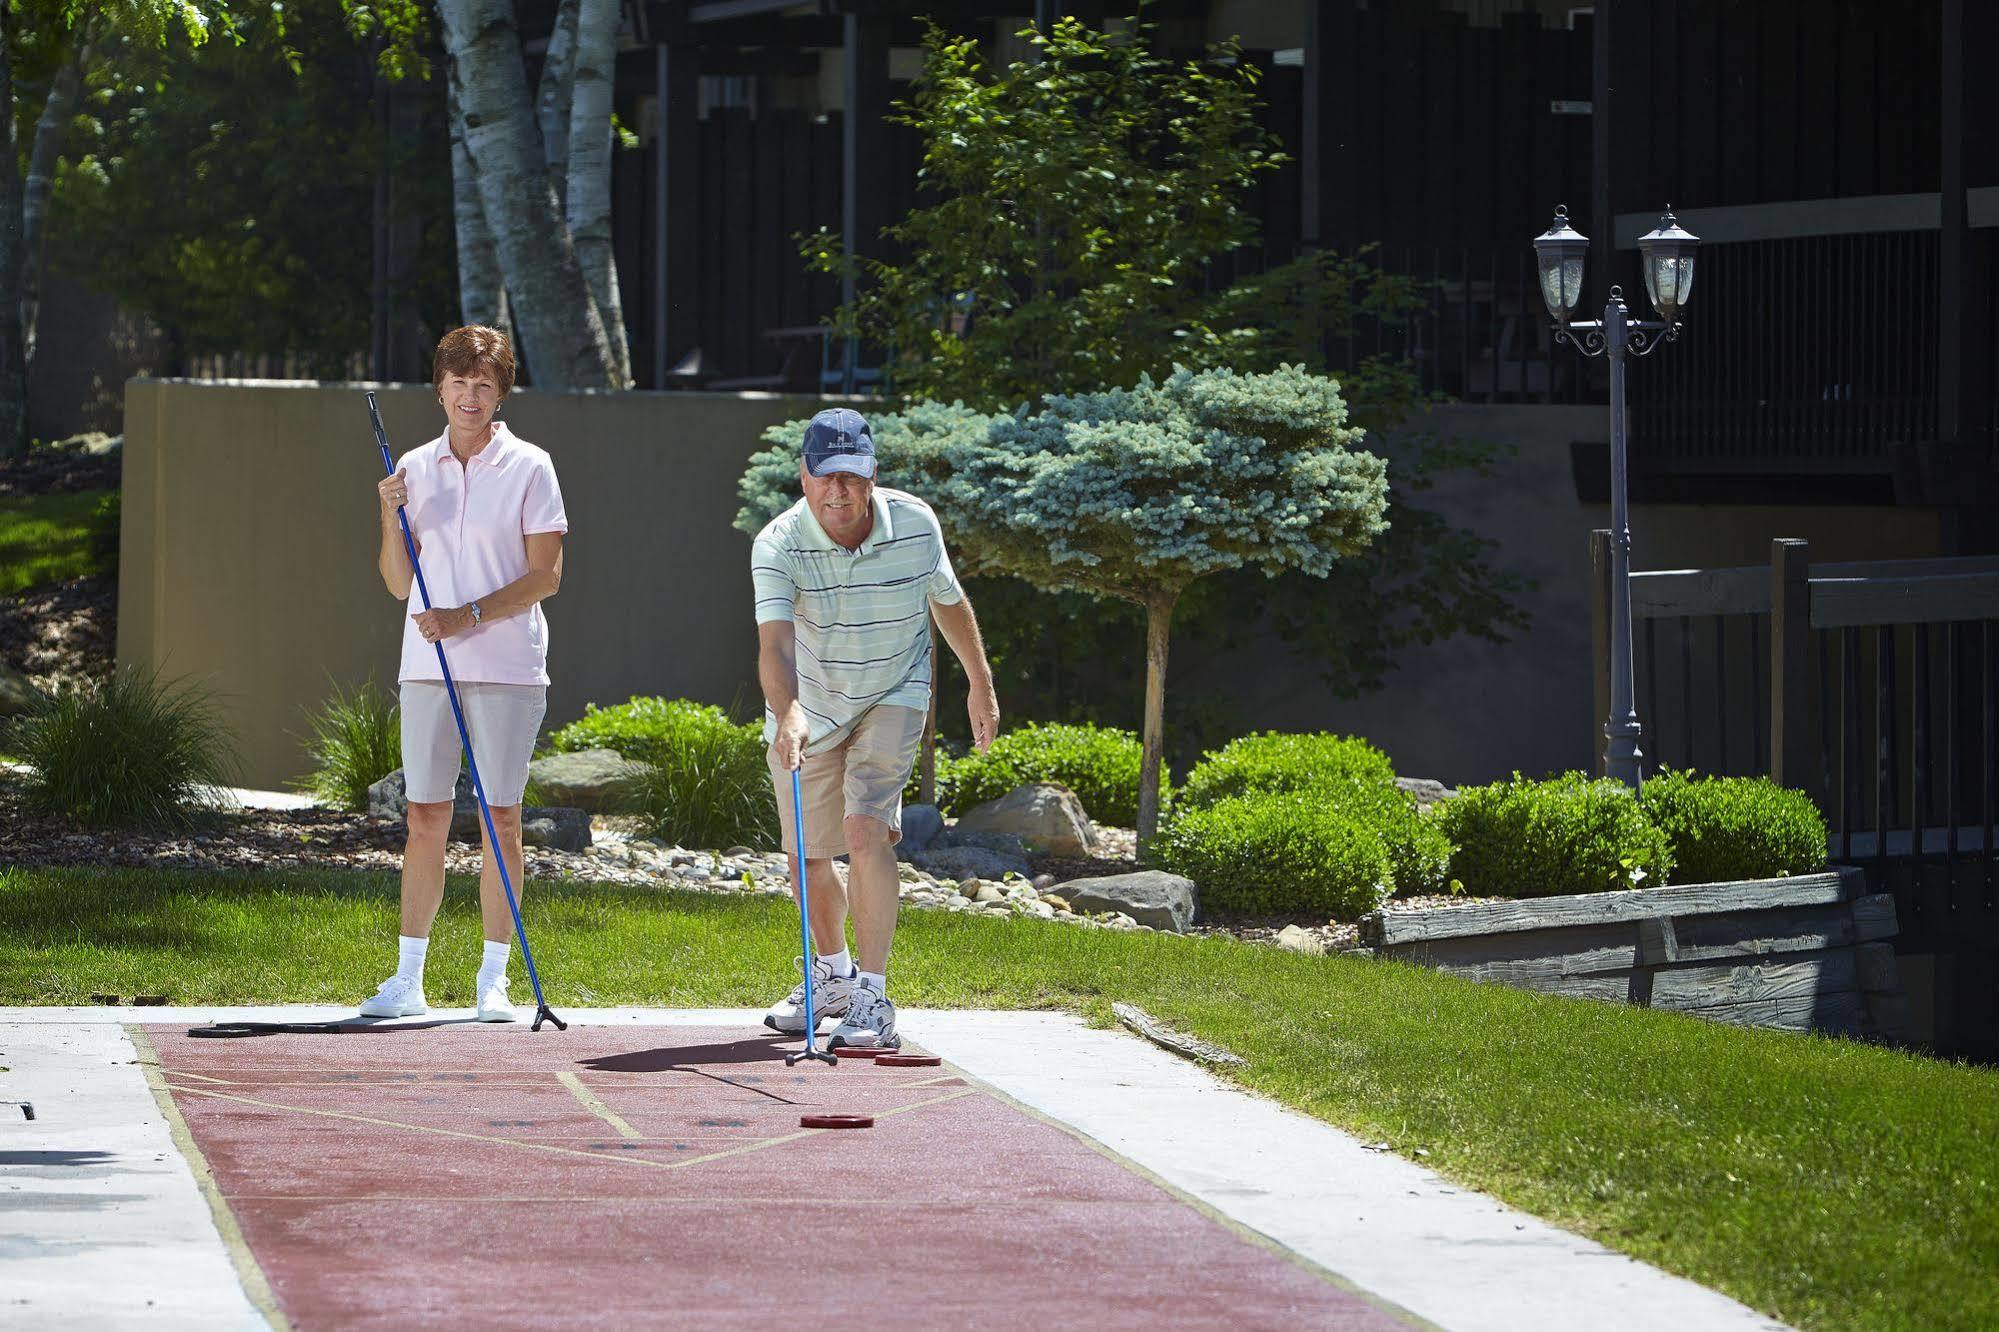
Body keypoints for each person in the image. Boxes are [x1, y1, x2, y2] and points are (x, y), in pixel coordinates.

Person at [752, 407, 999, 1049]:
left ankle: (874, 998)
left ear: (872, 476)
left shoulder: (915, 524)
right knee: (806, 857)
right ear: (804, 476)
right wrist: (789, 713)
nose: (839, 491)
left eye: (852, 477)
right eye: (826, 476)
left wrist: (980, 682)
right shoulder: (777, 544)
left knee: (865, 831)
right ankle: (833, 977)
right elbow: (775, 647)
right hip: (814, 705)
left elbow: (947, 601)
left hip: (894, 690)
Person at [360, 326, 568, 1023]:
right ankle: (406, 979)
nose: (469, 396)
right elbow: (397, 584)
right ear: (440, 388)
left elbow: (545, 576)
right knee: (424, 815)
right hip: (427, 667)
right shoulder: (413, 468)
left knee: (501, 819)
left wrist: (466, 616)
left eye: (483, 384)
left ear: (500, 391)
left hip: (507, 667)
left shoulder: (531, 466)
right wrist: (389, 517)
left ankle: (492, 981)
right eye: (458, 383)